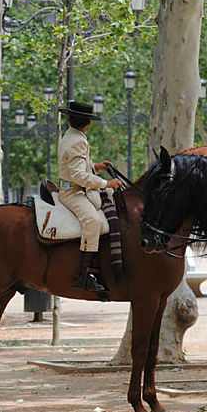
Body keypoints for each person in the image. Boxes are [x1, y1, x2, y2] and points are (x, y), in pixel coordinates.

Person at [56, 101, 123, 292]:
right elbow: (77, 176)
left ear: (69, 121)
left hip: (77, 186)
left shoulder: (70, 136)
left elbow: (76, 169)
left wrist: (96, 168)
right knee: (92, 221)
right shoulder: (78, 140)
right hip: (73, 192)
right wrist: (106, 183)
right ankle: (85, 273)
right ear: (89, 123)